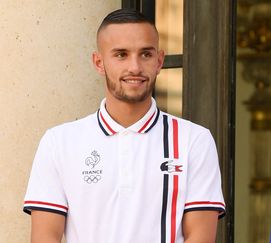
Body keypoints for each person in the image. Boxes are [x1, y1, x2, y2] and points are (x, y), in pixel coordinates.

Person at [23, 8, 225, 243]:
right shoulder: (59, 142)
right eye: (121, 55)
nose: (135, 67)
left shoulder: (195, 140)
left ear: (159, 61)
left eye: (145, 55)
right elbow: (45, 237)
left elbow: (200, 237)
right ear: (99, 63)